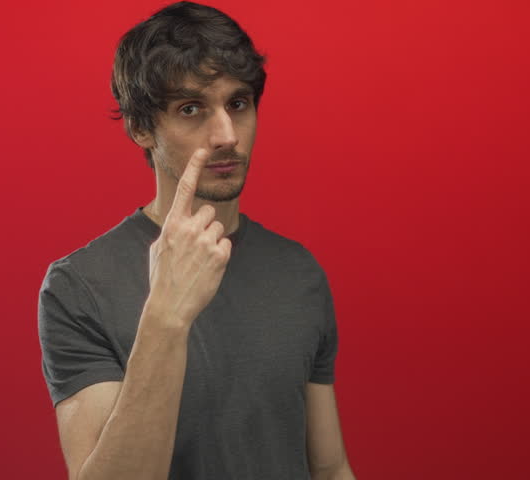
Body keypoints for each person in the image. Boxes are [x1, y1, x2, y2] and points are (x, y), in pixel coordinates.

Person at [37, 2, 355, 479]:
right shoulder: (78, 286)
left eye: (238, 103)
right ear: (141, 127)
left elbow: (329, 470)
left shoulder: (298, 271)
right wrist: (166, 315)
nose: (226, 134)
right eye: (192, 108)